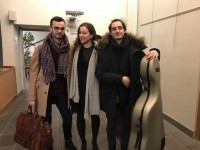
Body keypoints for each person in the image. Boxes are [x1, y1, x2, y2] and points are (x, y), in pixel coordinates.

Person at [95, 18, 160, 150]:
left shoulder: (135, 47)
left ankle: (124, 147)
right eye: (114, 29)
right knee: (111, 123)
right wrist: (121, 79)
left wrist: (156, 51)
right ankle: (111, 147)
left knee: (127, 123)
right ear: (110, 32)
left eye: (120, 28)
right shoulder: (103, 49)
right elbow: (100, 74)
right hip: (111, 94)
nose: (117, 31)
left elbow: (147, 59)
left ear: (124, 30)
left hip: (130, 93)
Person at [28, 16, 77, 150]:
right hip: (45, 90)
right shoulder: (40, 48)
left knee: (67, 118)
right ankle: (48, 143)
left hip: (62, 90)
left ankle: (68, 141)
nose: (59, 31)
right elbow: (33, 72)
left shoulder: (70, 48)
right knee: (46, 120)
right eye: (56, 28)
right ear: (51, 29)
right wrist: (32, 97)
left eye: (62, 28)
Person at [69, 22, 100, 150]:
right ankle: (83, 142)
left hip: (93, 89)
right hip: (79, 89)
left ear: (91, 34)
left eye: (84, 33)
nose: (81, 35)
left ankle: (94, 141)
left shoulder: (98, 50)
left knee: (95, 116)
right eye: (80, 33)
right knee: (80, 117)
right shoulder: (75, 49)